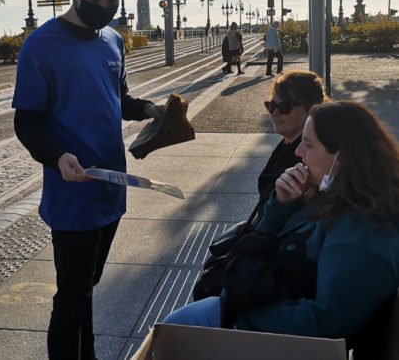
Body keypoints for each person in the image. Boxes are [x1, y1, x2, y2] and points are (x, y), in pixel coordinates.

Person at [12, 0, 164, 360]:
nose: (106, 6)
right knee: (72, 295)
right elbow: (25, 122)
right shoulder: (40, 47)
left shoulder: (114, 40)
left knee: (86, 289)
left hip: (112, 188)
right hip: (72, 193)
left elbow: (120, 98)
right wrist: (58, 157)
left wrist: (149, 109)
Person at [165, 100, 399, 346]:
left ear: (341, 159)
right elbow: (259, 240)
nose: (298, 152)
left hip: (266, 328)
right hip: (260, 305)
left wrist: (239, 311)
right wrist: (281, 206)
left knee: (173, 336)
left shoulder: (360, 232)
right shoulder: (333, 195)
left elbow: (326, 323)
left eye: (308, 144)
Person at [193, 70, 329, 300]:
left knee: (206, 294)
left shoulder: (307, 160)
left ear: (310, 108)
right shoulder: (289, 144)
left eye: (284, 107)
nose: (275, 113)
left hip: (277, 257)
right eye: (270, 106)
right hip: (268, 242)